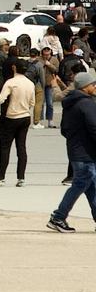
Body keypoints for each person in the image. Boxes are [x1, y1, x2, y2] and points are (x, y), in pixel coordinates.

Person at [48, 71, 96, 231]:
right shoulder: (86, 104)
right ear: (84, 86)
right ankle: (58, 217)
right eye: (92, 84)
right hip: (86, 153)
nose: (95, 86)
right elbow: (94, 127)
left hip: (76, 152)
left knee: (91, 187)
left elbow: (64, 130)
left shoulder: (71, 103)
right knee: (80, 185)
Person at [0, 60, 35, 186]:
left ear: (14, 68)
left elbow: (0, 99)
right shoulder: (30, 83)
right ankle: (21, 178)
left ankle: (1, 178)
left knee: (5, 149)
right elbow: (32, 103)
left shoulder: (11, 82)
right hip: (25, 117)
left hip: (11, 117)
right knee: (21, 147)